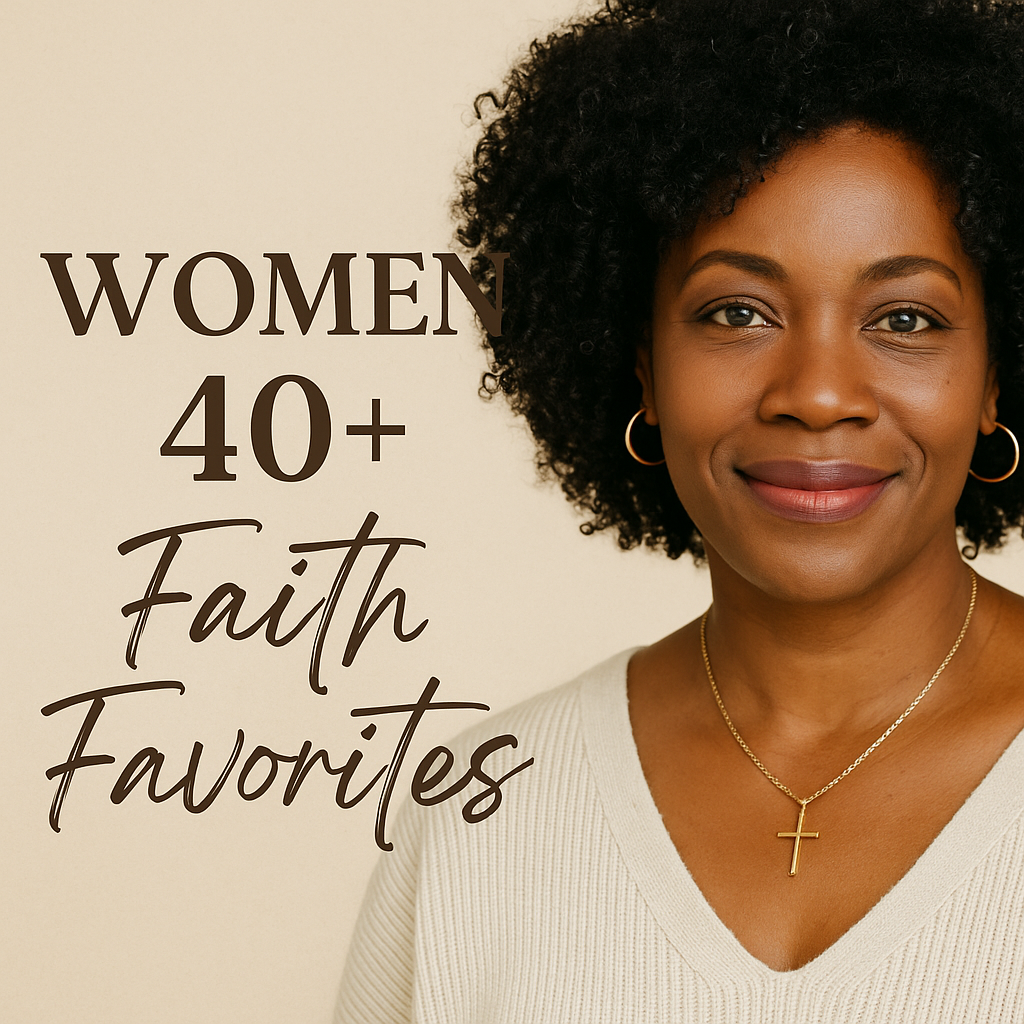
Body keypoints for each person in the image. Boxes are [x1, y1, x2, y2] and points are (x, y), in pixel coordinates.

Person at [336, 0, 1024, 1019]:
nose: (818, 389)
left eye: (905, 318)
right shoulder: (481, 805)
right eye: (735, 312)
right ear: (641, 368)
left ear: (994, 378)